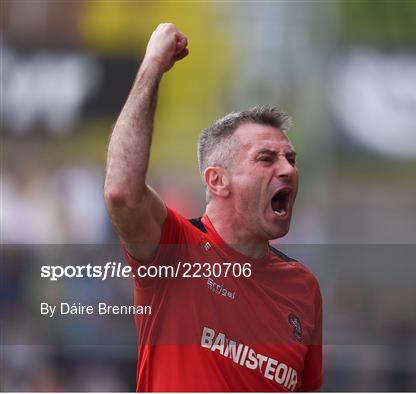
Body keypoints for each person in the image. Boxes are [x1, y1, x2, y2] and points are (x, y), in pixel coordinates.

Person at [104, 23, 322, 392]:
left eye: (291, 158)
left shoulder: (303, 288)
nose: (287, 169)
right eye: (267, 158)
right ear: (217, 180)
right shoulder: (176, 249)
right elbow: (122, 192)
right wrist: (153, 65)